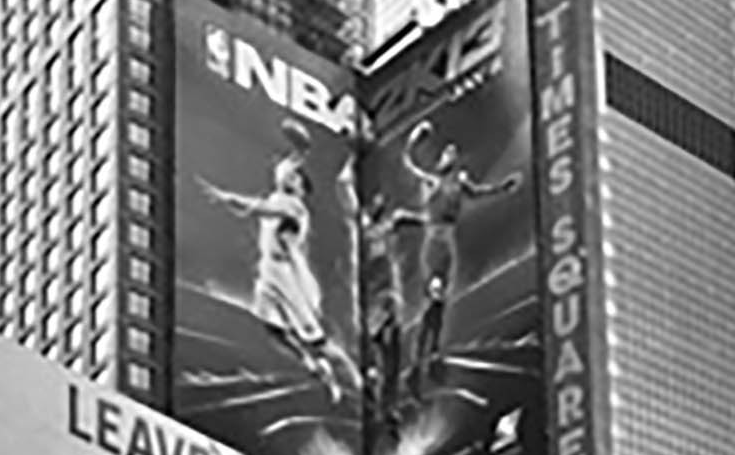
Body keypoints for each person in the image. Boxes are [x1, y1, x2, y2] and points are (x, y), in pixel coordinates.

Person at [198, 125, 356, 405]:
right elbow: (279, 174)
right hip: (268, 272)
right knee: (273, 330)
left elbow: (260, 208)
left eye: (295, 178)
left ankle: (353, 374)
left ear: (301, 190)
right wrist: (300, 152)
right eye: (290, 174)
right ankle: (312, 364)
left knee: (318, 341)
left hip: (289, 278)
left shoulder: (294, 207)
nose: (288, 176)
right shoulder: (278, 193)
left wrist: (227, 197)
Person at [381, 122, 520, 398]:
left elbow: (480, 192)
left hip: (447, 245)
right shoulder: (431, 181)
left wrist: (503, 187)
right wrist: (416, 138)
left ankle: (432, 357)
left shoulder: (458, 185)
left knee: (439, 306)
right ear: (441, 160)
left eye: (453, 153)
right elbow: (409, 160)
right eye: (446, 152)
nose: (450, 155)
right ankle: (417, 365)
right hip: (434, 245)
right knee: (431, 301)